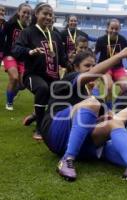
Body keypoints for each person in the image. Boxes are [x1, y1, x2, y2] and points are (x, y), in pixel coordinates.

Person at [40, 49, 127, 183]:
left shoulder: (94, 97)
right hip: (55, 133)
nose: (91, 69)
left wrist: (103, 119)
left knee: (119, 117)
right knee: (93, 103)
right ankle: (67, 159)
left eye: (93, 65)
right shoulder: (69, 79)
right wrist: (119, 56)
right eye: (87, 65)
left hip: (81, 144)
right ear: (76, 67)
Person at [12, 3, 68, 140]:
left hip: (53, 77)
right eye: (45, 14)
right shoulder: (28, 32)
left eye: (50, 15)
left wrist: (73, 61)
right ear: (36, 14)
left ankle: (37, 115)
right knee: (43, 89)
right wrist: (30, 51)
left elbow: (62, 59)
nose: (48, 17)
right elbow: (15, 50)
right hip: (33, 75)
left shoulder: (56, 35)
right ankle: (40, 128)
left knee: (61, 96)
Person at [95, 18, 127, 109]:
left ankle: (116, 103)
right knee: (109, 86)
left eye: (116, 29)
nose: (114, 31)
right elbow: (94, 53)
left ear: (119, 29)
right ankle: (108, 109)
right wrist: (95, 67)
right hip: (105, 68)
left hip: (118, 68)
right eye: (112, 28)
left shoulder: (122, 40)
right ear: (108, 28)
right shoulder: (101, 40)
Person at [3, 3, 31, 111]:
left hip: (22, 58)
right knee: (14, 78)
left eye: (28, 13)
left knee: (23, 84)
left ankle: (13, 93)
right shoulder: (10, 24)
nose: (26, 15)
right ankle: (9, 103)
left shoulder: (29, 28)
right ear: (19, 12)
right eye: (24, 12)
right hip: (9, 55)